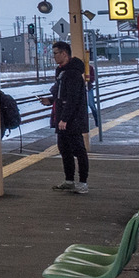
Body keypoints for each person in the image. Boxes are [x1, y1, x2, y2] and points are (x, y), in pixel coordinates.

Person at [40, 41, 89, 193]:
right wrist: (51, 100)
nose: (53, 56)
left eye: (55, 53)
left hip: (72, 119)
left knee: (78, 150)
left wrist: (65, 119)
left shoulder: (73, 74)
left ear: (64, 54)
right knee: (64, 149)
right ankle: (69, 180)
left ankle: (82, 183)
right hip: (62, 117)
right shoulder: (61, 72)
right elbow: (62, 96)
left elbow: (72, 99)